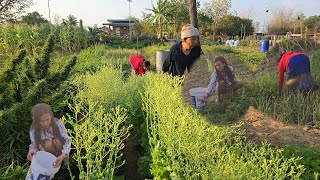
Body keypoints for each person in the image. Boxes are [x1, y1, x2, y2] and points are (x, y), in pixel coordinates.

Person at [27, 103, 71, 168]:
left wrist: (63, 155)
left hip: (60, 148)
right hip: (43, 151)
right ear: (36, 120)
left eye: (47, 119)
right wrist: (31, 150)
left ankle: (62, 161)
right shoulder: (34, 128)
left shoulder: (57, 123)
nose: (45, 123)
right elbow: (34, 144)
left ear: (51, 116)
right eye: (42, 121)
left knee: (56, 142)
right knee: (48, 144)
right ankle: (48, 163)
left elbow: (67, 140)